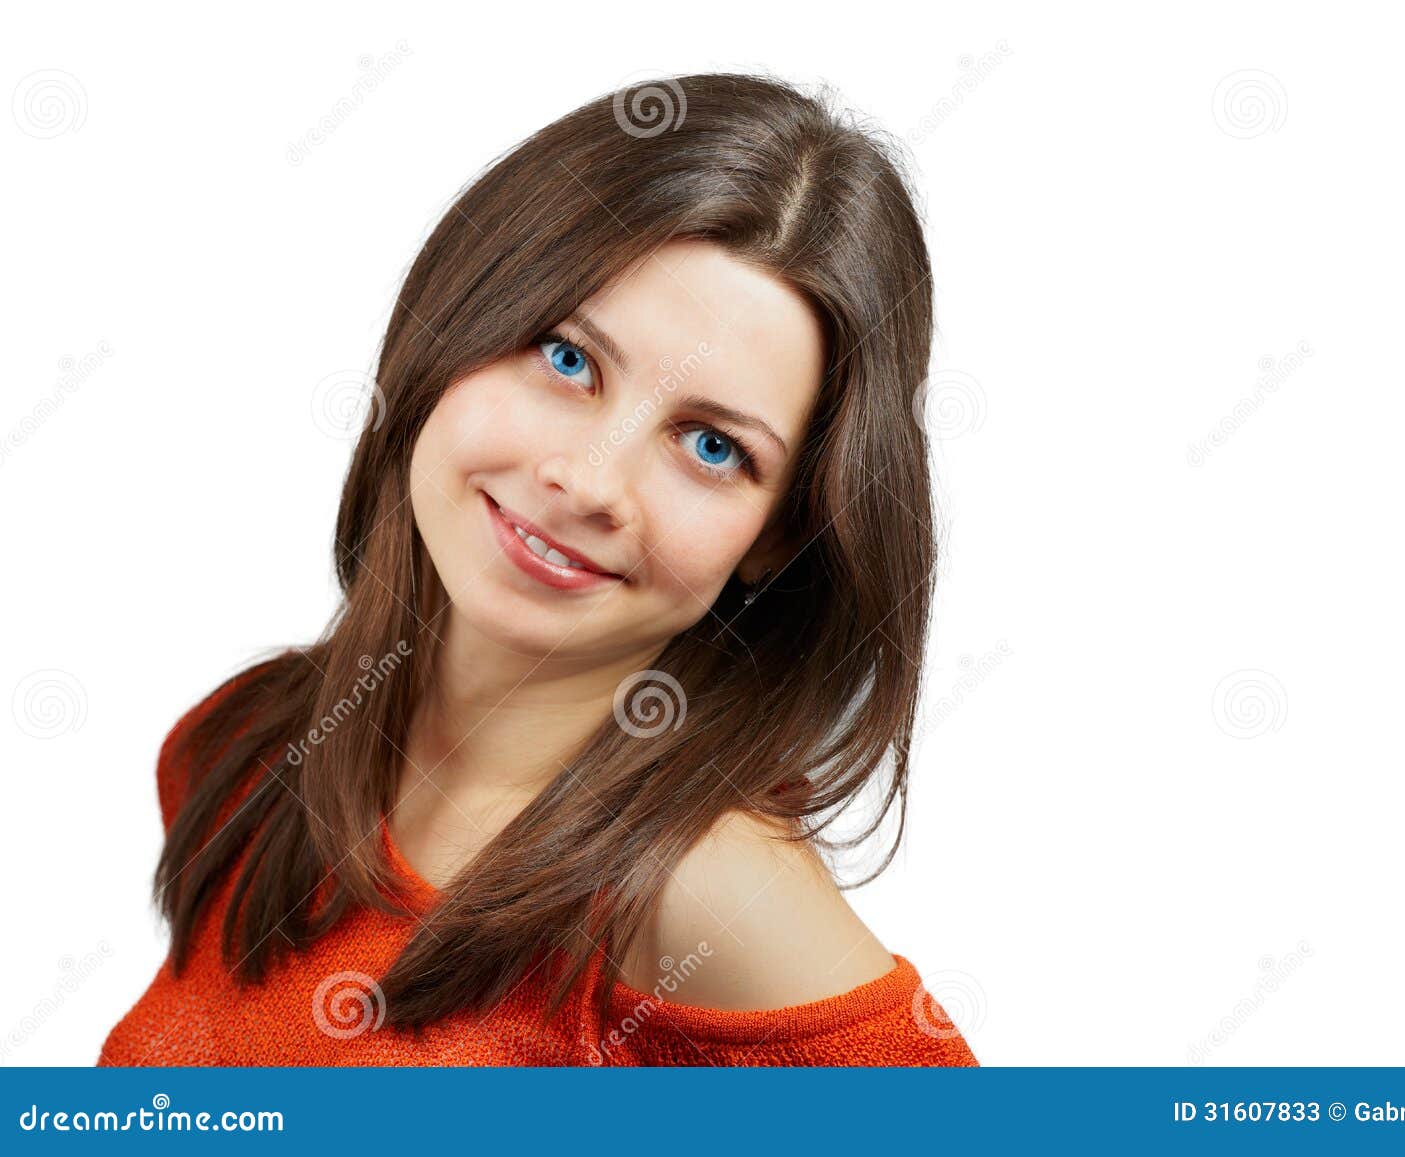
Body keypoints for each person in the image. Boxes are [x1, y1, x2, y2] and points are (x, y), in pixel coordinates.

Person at [99, 71, 976, 1066]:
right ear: (456, 327)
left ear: (779, 535)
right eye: (567, 359)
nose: (592, 479)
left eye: (712, 446)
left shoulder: (709, 896)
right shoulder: (242, 743)